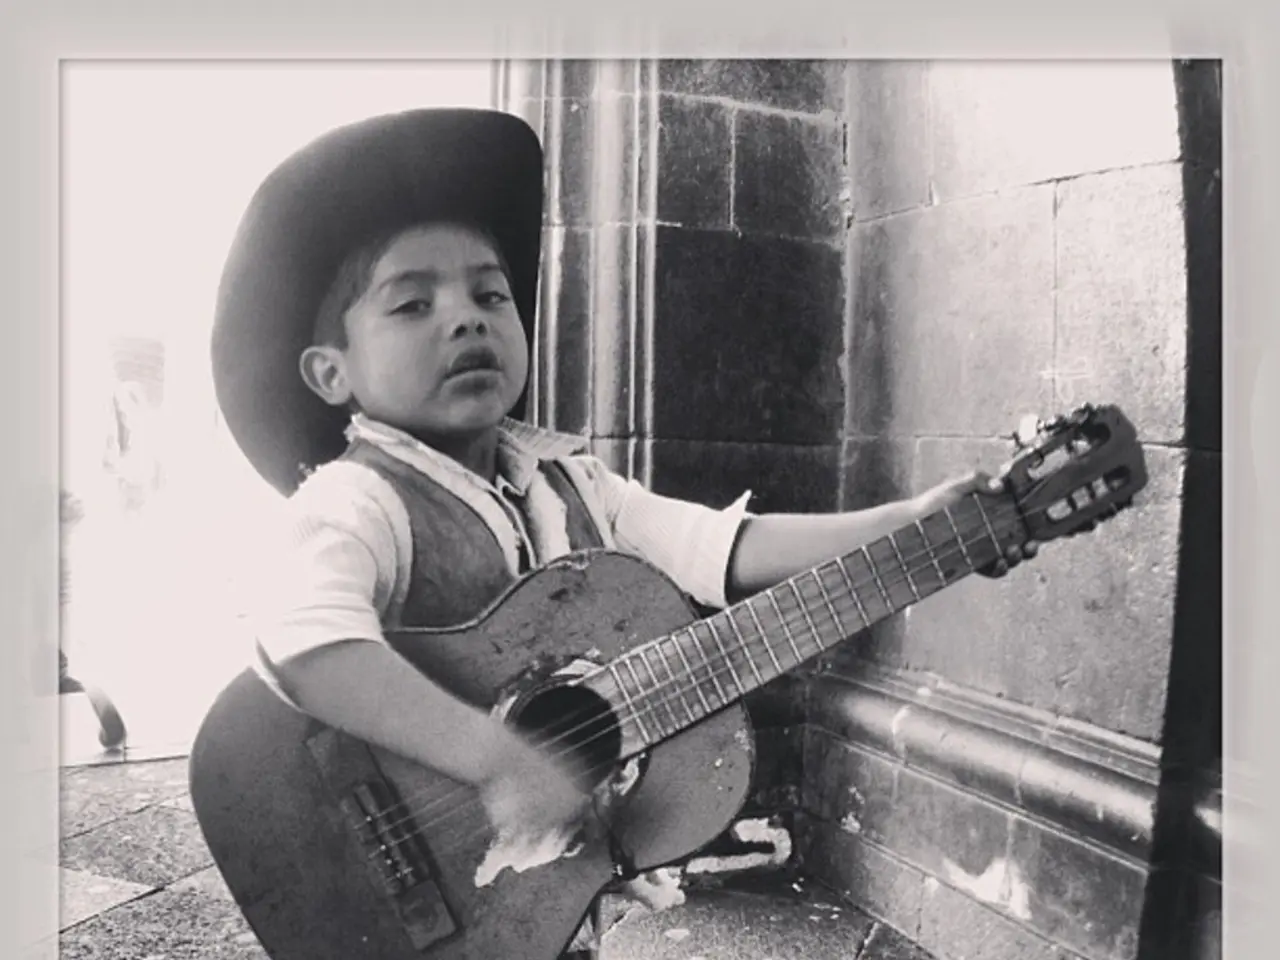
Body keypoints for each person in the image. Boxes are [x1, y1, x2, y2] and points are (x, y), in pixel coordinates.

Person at [211, 108, 1036, 959]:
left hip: (529, 903)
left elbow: (723, 549)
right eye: (413, 303)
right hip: (401, 871)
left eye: (491, 295)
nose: (466, 319)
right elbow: (307, 645)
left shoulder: (569, 482)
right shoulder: (358, 499)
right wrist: (494, 758)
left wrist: (912, 525)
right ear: (332, 373)